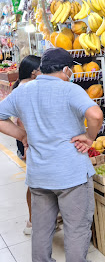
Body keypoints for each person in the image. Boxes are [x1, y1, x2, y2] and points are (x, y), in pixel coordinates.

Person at [0, 48, 104, 262]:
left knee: (41, 229)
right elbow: (95, 114)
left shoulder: (23, 90)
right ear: (66, 69)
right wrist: (89, 137)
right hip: (71, 175)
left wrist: (22, 135)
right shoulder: (70, 89)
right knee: (76, 229)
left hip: (39, 175)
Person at [11, 55, 42, 235]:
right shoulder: (26, 89)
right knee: (35, 185)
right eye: (41, 70)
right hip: (33, 145)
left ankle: (35, 219)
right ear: (33, 73)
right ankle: (32, 221)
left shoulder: (20, 86)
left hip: (31, 144)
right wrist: (25, 140)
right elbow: (21, 121)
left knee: (35, 184)